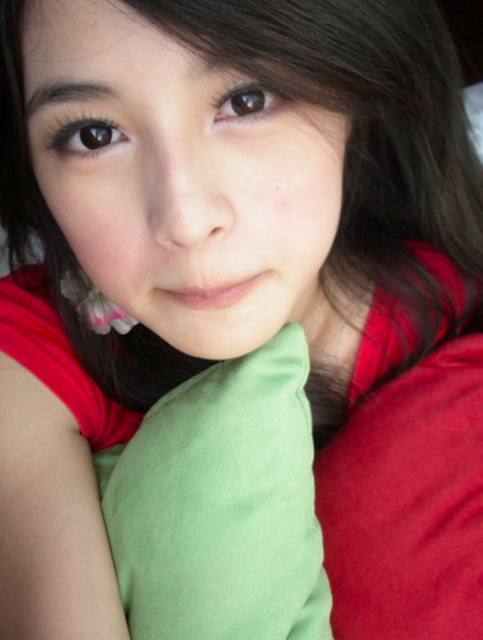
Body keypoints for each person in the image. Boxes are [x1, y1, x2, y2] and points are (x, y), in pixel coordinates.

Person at [0, 0, 482, 638]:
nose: (186, 220)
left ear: (352, 89)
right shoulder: (27, 362)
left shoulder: (446, 287)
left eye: (247, 101)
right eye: (94, 135)